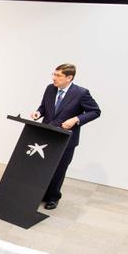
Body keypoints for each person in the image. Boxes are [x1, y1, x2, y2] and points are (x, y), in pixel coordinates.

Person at [30, 63, 101, 210]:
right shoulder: (50, 88)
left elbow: (95, 111)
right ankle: (39, 193)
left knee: (59, 169)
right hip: (47, 135)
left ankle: (53, 197)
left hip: (66, 140)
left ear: (69, 77)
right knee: (42, 167)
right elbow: (44, 106)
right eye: (53, 74)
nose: (53, 78)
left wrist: (76, 119)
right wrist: (38, 113)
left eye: (58, 75)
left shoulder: (81, 93)